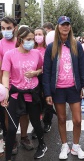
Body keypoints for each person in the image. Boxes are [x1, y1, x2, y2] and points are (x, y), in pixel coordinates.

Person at [43, 16, 84, 160]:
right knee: (61, 119)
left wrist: (83, 86)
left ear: (70, 27)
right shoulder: (51, 47)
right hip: (58, 89)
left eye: (67, 24)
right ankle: (64, 145)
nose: (65, 27)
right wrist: (47, 92)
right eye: (63, 25)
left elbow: (82, 67)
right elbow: (47, 71)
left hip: (74, 88)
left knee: (77, 120)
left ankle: (76, 146)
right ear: (58, 27)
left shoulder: (76, 45)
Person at [1, 26, 47, 160]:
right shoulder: (10, 54)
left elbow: (41, 68)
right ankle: (8, 156)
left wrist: (36, 73)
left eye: (33, 39)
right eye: (29, 39)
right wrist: (5, 91)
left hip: (32, 93)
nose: (32, 42)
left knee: (36, 123)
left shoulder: (36, 53)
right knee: (12, 128)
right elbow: (5, 74)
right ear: (20, 39)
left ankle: (42, 146)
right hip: (16, 94)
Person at [0, 17, 33, 154]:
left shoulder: (21, 42)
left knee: (25, 113)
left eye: (8, 28)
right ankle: (12, 139)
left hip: (25, 84)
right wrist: (3, 88)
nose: (6, 31)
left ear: (15, 28)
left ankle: (24, 136)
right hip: (7, 85)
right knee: (8, 114)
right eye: (3, 28)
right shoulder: (0, 44)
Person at [34, 27, 56, 134]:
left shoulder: (49, 48)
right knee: (37, 102)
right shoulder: (32, 49)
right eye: (36, 34)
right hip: (35, 78)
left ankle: (47, 122)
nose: (38, 37)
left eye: (40, 34)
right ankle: (37, 124)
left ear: (44, 36)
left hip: (47, 77)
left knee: (48, 100)